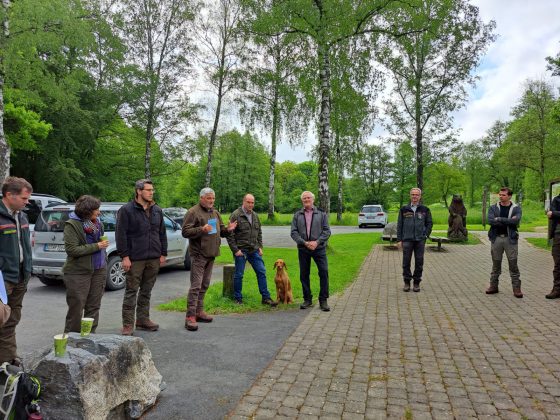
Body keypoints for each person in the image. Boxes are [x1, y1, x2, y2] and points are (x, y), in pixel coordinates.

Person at [116, 179, 168, 336]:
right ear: (139, 191)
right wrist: (125, 256)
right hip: (135, 258)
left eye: (153, 190)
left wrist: (163, 253)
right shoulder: (126, 210)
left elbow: (162, 232)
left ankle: (143, 320)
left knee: (147, 290)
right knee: (131, 291)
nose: (152, 192)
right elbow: (121, 235)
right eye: (148, 190)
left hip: (153, 257)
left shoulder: (157, 210)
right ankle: (127, 324)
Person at [182, 188, 237, 331]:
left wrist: (229, 229)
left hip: (211, 254)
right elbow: (185, 231)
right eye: (208, 198)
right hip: (199, 255)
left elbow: (221, 231)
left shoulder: (215, 212)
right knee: (195, 286)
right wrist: (201, 229)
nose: (211, 201)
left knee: (204, 285)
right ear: (201, 198)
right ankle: (190, 317)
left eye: (213, 198)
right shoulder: (193, 212)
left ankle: (199, 312)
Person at [62, 195, 109, 333]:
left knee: (94, 307)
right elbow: (72, 250)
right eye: (96, 210)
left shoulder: (97, 223)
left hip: (99, 269)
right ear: (87, 211)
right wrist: (97, 246)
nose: (99, 212)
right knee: (76, 308)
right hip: (78, 272)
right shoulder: (72, 224)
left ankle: (89, 337)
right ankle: (72, 341)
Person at [0, 176, 33, 366]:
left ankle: (7, 359)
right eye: (24, 198)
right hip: (2, 279)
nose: (27, 202)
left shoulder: (22, 215)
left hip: (20, 276)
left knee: (12, 319)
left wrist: (28, 269)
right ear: (9, 195)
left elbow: (25, 246)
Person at [227, 194, 276, 306]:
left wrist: (260, 247)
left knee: (261, 272)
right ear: (243, 201)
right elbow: (230, 234)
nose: (250, 204)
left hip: (254, 250)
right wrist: (235, 250)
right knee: (239, 275)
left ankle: (266, 298)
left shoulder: (255, 215)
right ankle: (238, 299)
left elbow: (259, 232)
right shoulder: (236, 215)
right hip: (241, 251)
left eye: (252, 202)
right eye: (248, 202)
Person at [290, 191, 331, 311]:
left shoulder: (321, 214)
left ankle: (323, 300)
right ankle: (307, 299)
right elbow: (293, 232)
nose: (306, 199)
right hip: (303, 249)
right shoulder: (297, 215)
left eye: (308, 198)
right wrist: (305, 243)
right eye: (304, 198)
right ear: (302, 201)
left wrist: (316, 242)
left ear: (313, 199)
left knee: (323, 272)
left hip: (319, 248)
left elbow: (327, 231)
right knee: (304, 274)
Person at [486, 187, 523, 298]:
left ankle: (517, 288)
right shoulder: (493, 208)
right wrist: (508, 221)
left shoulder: (516, 208)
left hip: (510, 239)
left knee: (513, 264)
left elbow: (515, 221)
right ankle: (493, 286)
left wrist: (499, 219)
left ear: (509, 196)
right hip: (496, 239)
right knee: (496, 264)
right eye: (500, 194)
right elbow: (491, 221)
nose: (501, 196)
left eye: (503, 195)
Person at [397, 188, 433, 292]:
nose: (414, 196)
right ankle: (407, 282)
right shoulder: (404, 209)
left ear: (420, 196)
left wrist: (425, 235)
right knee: (406, 262)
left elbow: (429, 223)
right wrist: (399, 239)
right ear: (410, 196)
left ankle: (416, 283)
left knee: (419, 261)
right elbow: (400, 225)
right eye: (413, 194)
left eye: (416, 195)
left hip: (420, 240)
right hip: (407, 239)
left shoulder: (425, 209)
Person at [545, 192, 560, 299]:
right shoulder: (557, 199)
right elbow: (550, 213)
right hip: (558, 235)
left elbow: (553, 213)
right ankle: (557, 289)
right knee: (558, 263)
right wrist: (553, 213)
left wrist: (555, 213)